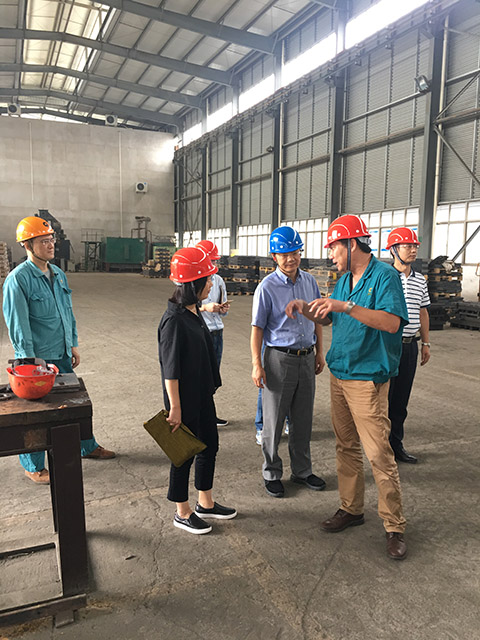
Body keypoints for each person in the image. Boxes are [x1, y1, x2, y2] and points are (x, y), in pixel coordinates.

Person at [286, 215, 409, 560]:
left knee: (378, 454)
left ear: (352, 244)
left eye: (334, 248)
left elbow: (391, 322)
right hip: (340, 374)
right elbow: (331, 317)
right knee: (346, 446)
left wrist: (347, 306)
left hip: (367, 378)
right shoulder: (344, 281)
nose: (331, 255)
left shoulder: (384, 277)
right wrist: (307, 310)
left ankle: (394, 525)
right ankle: (351, 508)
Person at [2, 216, 115, 485]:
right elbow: (18, 325)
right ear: (27, 245)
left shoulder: (58, 274)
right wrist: (28, 362)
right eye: (44, 241)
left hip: (62, 351)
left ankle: (86, 446)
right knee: (37, 412)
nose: (51, 245)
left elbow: (67, 313)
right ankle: (33, 466)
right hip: (38, 359)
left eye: (52, 239)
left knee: (75, 403)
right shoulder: (18, 280)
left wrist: (72, 343)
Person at [158, 246, 237, 535]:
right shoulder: (174, 321)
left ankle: (206, 502)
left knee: (209, 445)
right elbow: (171, 369)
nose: (211, 284)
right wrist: (175, 408)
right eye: (207, 279)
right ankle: (182, 512)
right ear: (193, 284)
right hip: (184, 400)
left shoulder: (192, 312)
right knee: (184, 454)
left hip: (202, 394)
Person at [251, 226, 326, 498]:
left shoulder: (309, 282)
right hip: (278, 360)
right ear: (274, 256)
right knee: (273, 421)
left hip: (306, 357)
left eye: (295, 252)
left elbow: (317, 317)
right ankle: (271, 472)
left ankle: (302, 471)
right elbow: (257, 329)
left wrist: (319, 351)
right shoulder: (266, 287)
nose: (290, 259)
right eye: (284, 254)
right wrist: (257, 364)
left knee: (303, 420)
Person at [386, 227, 431, 464]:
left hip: (409, 346)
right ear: (394, 250)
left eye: (414, 246)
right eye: (407, 246)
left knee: (400, 400)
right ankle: (380, 448)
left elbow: (423, 312)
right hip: (386, 345)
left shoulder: (420, 280)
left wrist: (426, 343)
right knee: (383, 399)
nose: (413, 250)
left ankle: (396, 446)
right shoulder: (384, 277)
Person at [195, 239, 230, 427]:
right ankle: (200, 415)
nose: (214, 264)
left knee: (213, 376)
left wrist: (222, 309)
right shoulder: (192, 281)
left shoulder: (218, 280)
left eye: (215, 261)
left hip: (217, 332)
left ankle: (208, 413)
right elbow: (186, 306)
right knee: (200, 375)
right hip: (202, 332)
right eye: (211, 260)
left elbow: (223, 306)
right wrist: (205, 307)